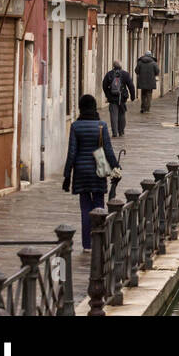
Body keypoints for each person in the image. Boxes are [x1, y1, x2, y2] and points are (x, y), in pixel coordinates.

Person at [62, 93, 120, 251]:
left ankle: (87, 245)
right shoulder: (101, 126)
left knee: (85, 208)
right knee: (99, 206)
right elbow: (108, 150)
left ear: (81, 108)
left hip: (81, 172)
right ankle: (98, 241)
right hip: (98, 172)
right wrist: (116, 166)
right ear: (94, 107)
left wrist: (67, 176)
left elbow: (71, 153)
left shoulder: (75, 126)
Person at [101, 60, 135, 138]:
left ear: (113, 66)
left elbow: (104, 85)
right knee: (122, 115)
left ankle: (114, 132)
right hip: (122, 98)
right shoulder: (125, 74)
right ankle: (121, 131)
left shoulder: (109, 74)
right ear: (121, 66)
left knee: (113, 116)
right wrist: (132, 96)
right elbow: (131, 86)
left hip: (112, 99)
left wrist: (108, 95)